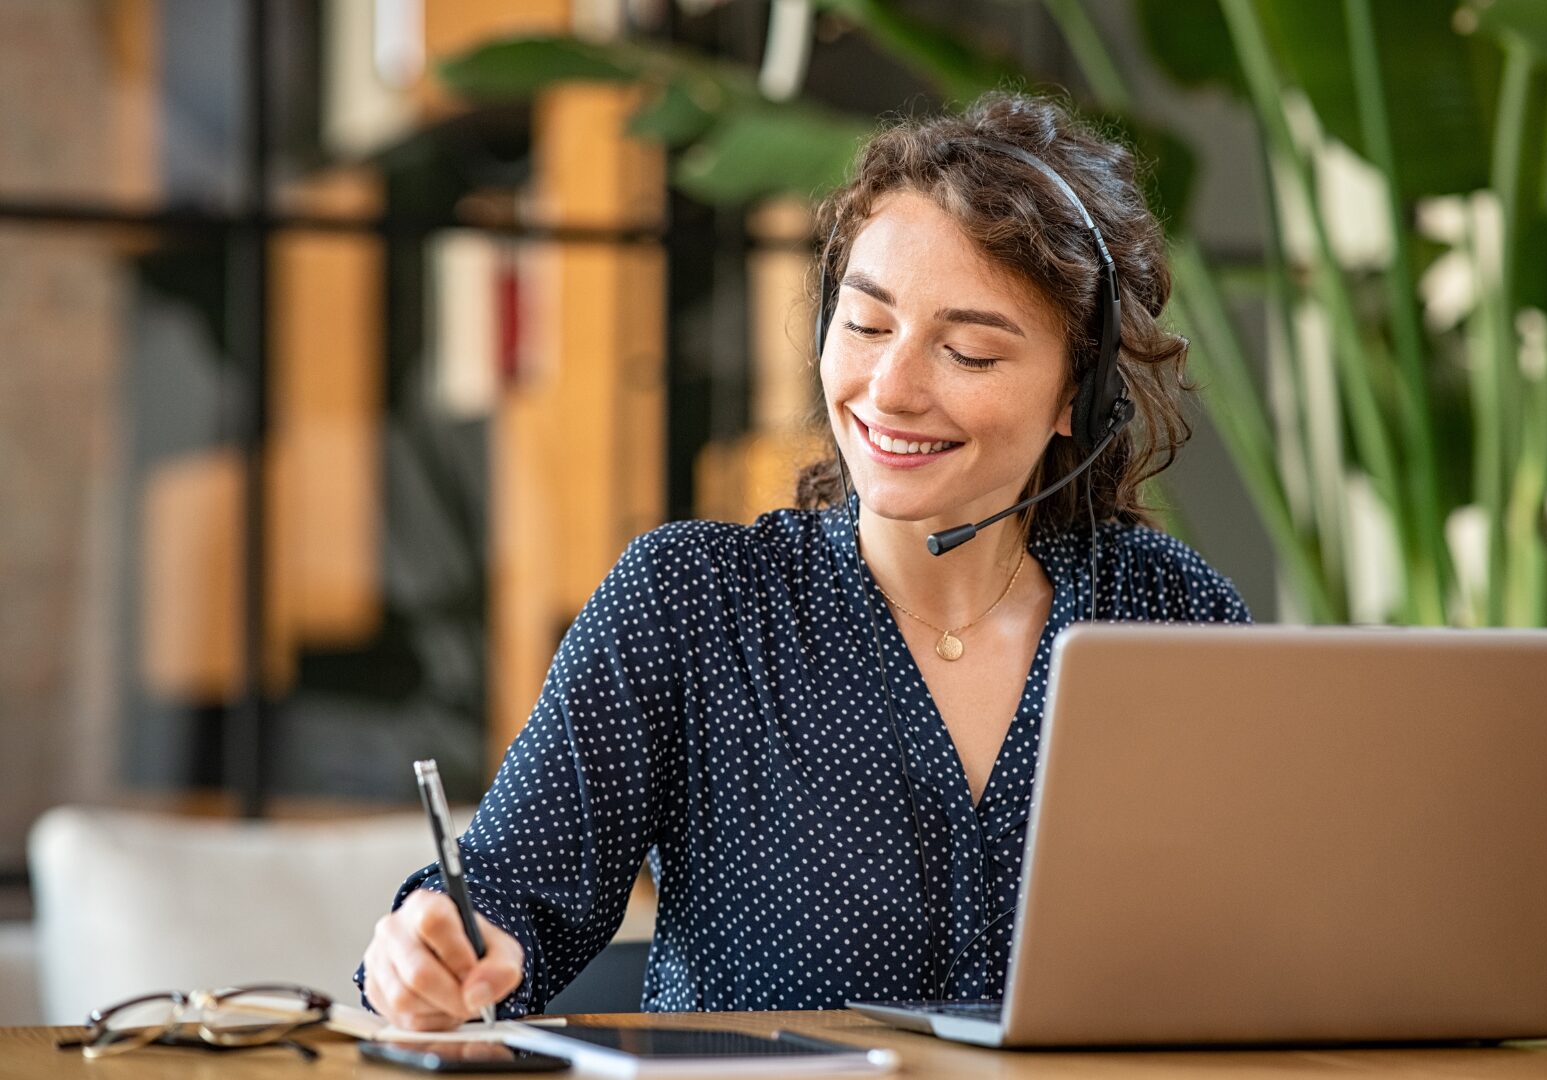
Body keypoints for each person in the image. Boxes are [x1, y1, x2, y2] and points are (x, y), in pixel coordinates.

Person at [358, 90, 1250, 1029]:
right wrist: (428, 953)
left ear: (1081, 393)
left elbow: (1262, 937)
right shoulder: (692, 602)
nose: (890, 389)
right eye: (865, 327)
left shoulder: (1170, 616)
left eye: (970, 353)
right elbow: (499, 908)